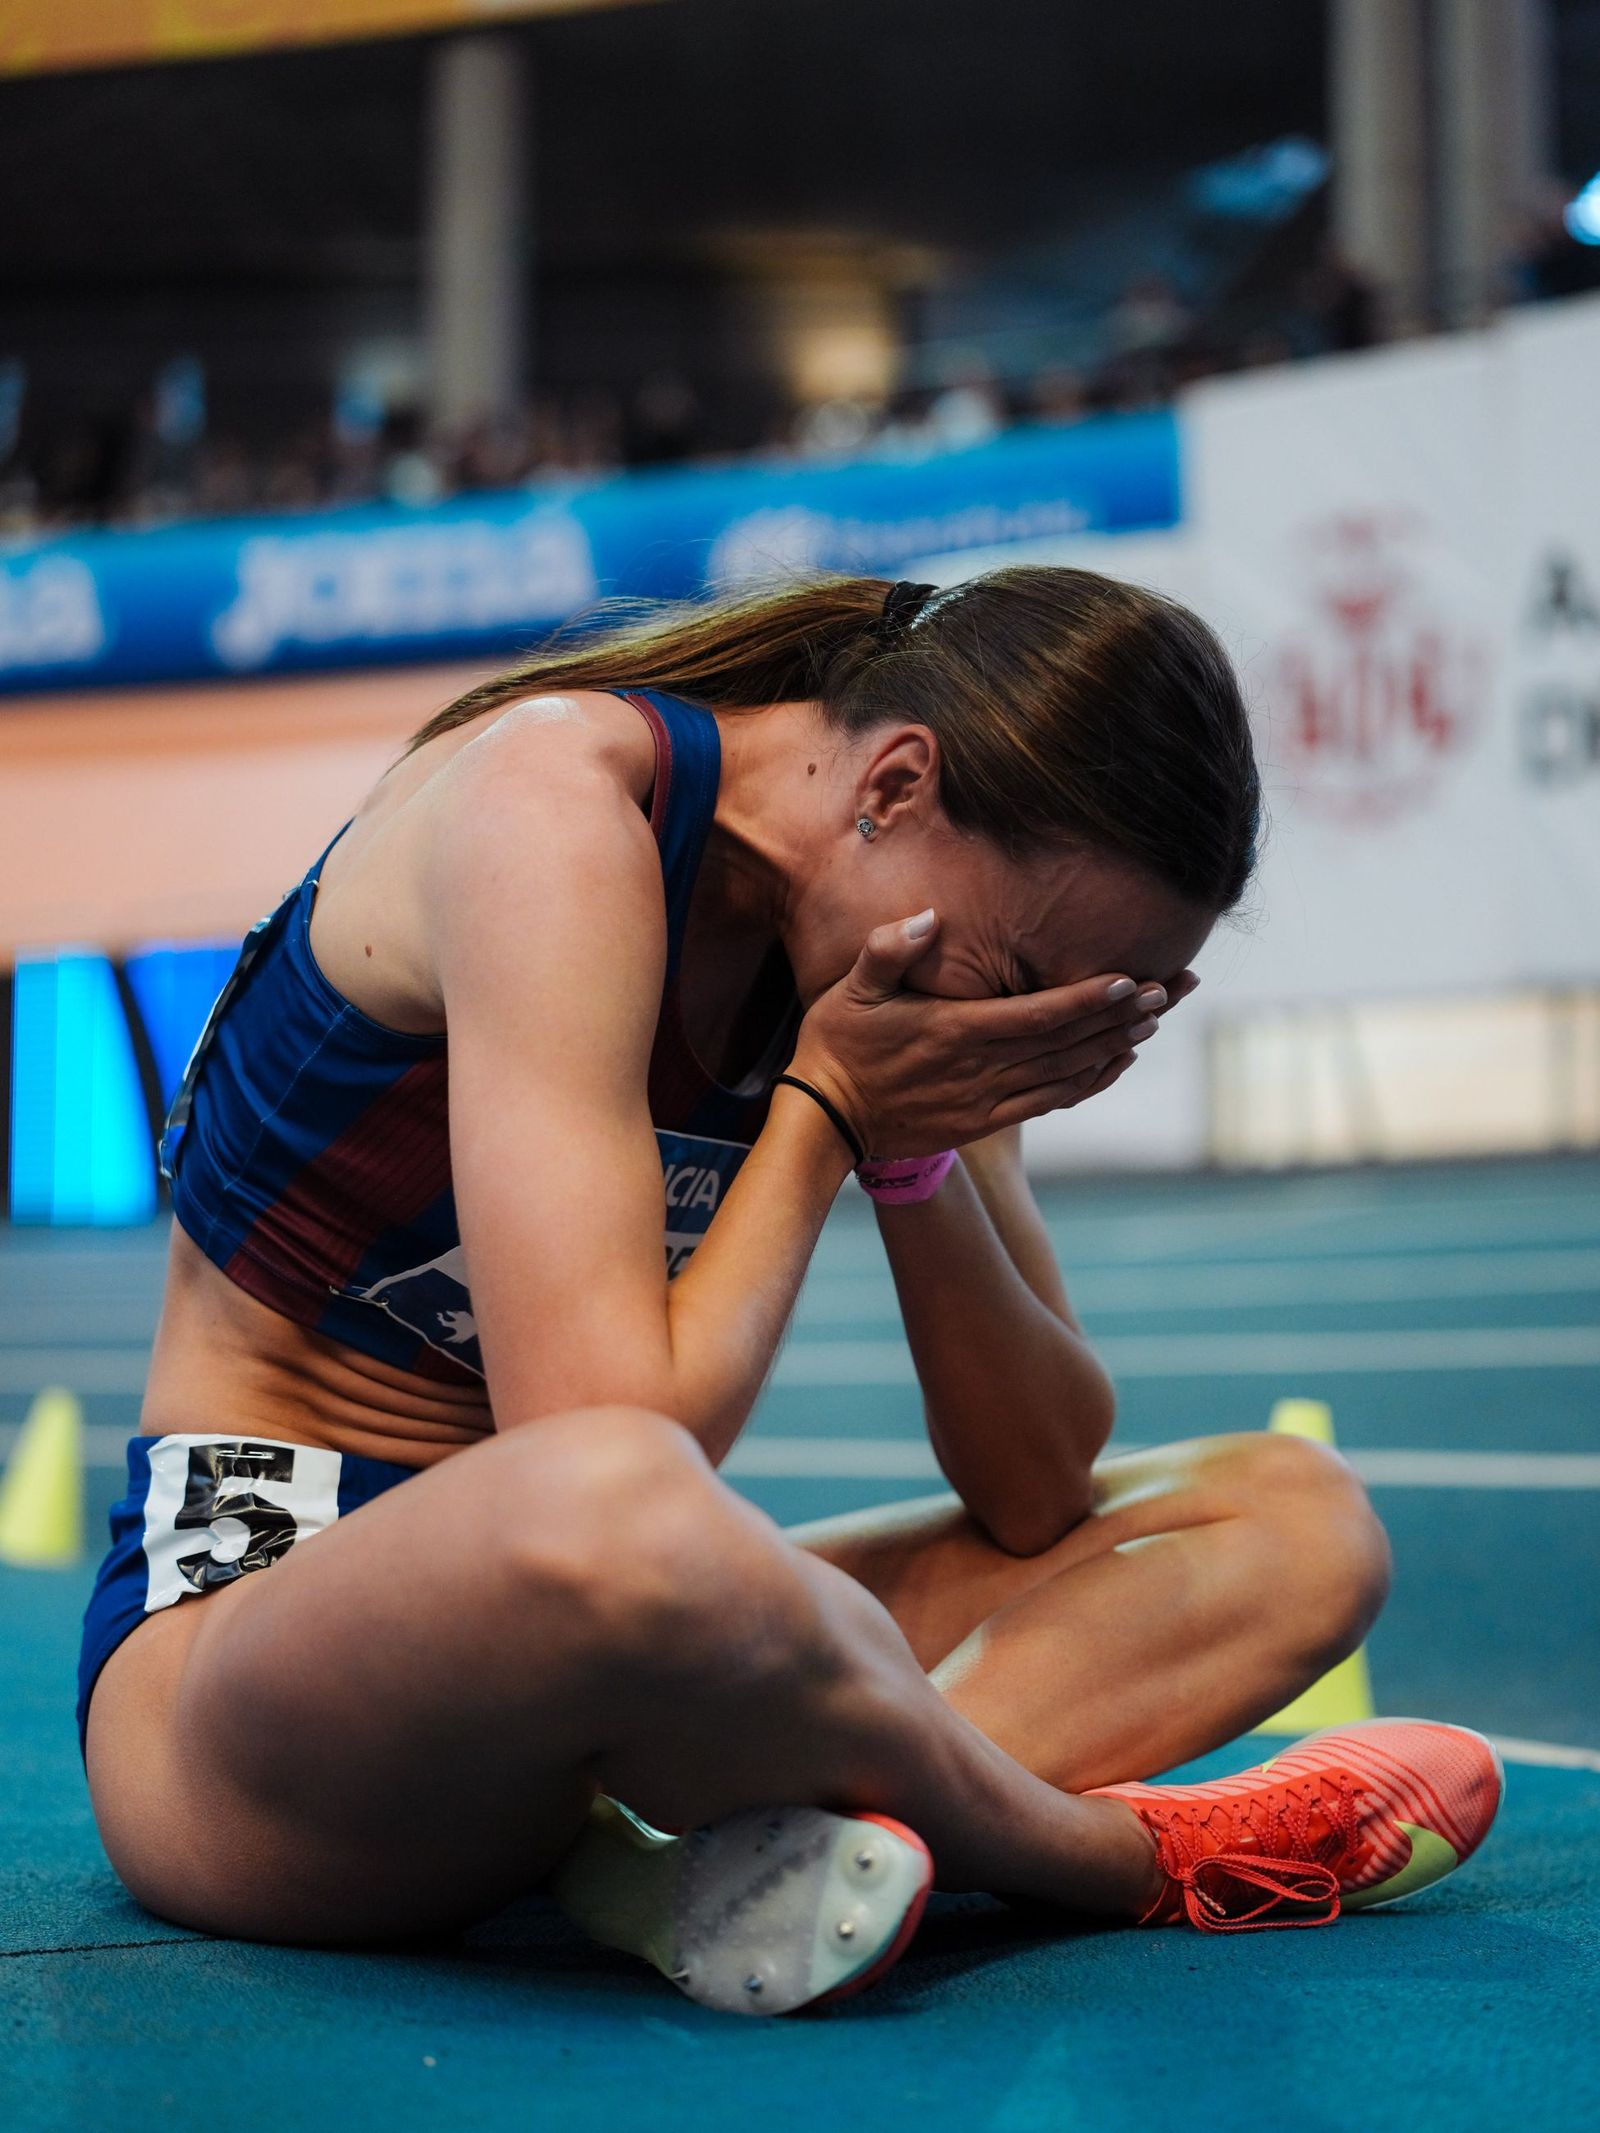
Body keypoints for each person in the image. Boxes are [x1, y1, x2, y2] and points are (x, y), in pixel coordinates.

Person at [78, 569, 1502, 2015]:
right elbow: (598, 1440)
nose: (996, 1029)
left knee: (1296, 1516)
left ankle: (771, 1852)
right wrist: (822, 1108)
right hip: (256, 1668)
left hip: (610, 1647)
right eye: (1014, 982)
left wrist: (913, 1150)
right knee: (629, 1513)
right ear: (894, 781)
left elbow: (1033, 1481)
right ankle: (1113, 1853)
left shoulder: (916, 968)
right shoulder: (560, 810)